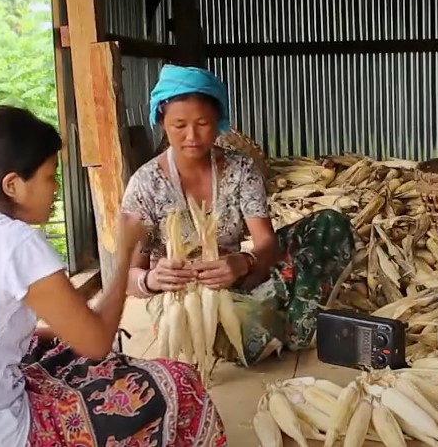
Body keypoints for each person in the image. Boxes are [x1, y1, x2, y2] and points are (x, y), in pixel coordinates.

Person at [0, 106, 226, 447]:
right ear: (12, 185)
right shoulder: (15, 242)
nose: (55, 188)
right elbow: (97, 343)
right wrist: (124, 255)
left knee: (53, 344)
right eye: (49, 176)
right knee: (177, 383)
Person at [121, 64, 356, 366]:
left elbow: (266, 244)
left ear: (219, 122)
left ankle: (284, 315)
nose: (192, 136)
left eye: (203, 123)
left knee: (329, 224)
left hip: (241, 277)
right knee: (251, 333)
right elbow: (128, 277)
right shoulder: (145, 184)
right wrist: (153, 279)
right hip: (184, 300)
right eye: (179, 125)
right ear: (162, 121)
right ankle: (288, 316)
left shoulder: (241, 169)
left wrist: (244, 261)